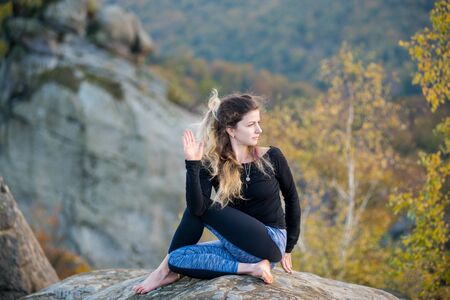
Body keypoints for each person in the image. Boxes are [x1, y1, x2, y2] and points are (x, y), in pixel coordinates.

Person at [133, 89, 301, 294]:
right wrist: (192, 164)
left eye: (258, 123)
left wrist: (288, 246)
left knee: (202, 209)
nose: (259, 130)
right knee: (178, 258)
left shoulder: (272, 156)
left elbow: (291, 198)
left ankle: (161, 271)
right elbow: (196, 208)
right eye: (251, 124)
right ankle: (250, 269)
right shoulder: (211, 163)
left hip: (269, 242)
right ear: (231, 130)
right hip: (237, 247)